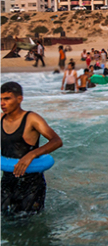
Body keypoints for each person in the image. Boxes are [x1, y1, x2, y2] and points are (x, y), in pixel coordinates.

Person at [1, 82, 63, 214]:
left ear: (19, 99)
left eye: (7, 99)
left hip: (31, 183)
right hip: (7, 181)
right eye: (0, 99)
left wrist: (32, 155)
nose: (2, 103)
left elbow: (56, 141)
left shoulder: (32, 119)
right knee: (6, 220)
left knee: (28, 225)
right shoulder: (0, 119)